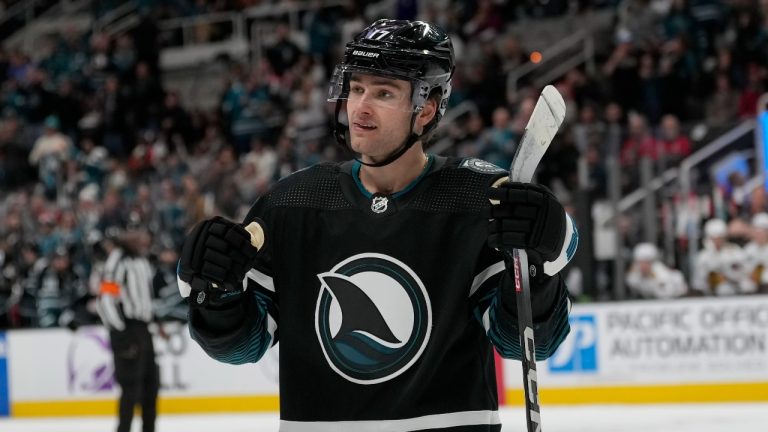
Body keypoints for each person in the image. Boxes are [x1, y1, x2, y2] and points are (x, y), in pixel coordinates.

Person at [177, 19, 576, 431]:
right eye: (356, 89)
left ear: (426, 109)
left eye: (384, 93)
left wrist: (537, 271)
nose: (361, 107)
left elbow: (527, 343)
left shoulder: (476, 200)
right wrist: (217, 296)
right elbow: (242, 347)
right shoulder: (291, 204)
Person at [96, 226, 160, 432]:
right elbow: (105, 300)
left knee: (150, 387)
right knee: (130, 388)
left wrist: (154, 322)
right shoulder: (117, 260)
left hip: (144, 329)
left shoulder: (142, 259)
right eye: (133, 233)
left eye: (140, 232)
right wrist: (121, 334)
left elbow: (145, 298)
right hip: (128, 329)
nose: (140, 237)